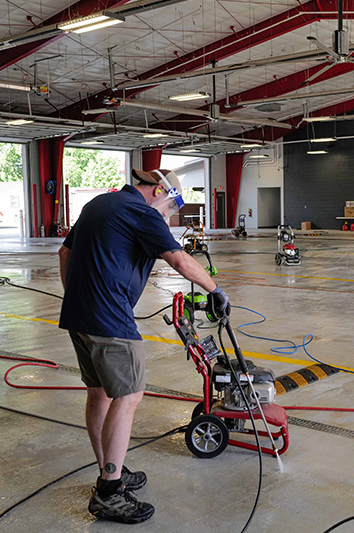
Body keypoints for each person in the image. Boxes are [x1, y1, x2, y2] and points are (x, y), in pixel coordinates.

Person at [58, 168, 230, 524]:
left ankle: (110, 470)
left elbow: (64, 252)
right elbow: (180, 260)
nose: (166, 217)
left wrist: (77, 296)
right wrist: (216, 290)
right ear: (157, 193)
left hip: (78, 316)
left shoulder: (99, 203)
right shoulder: (142, 212)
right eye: (168, 209)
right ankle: (109, 490)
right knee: (130, 396)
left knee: (99, 394)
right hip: (110, 321)